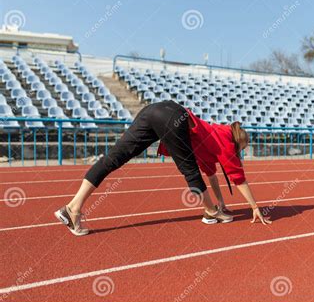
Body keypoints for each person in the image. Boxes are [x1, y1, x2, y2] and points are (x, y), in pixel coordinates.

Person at [54, 100, 272, 236]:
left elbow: (212, 175)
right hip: (174, 117)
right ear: (237, 143)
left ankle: (73, 208)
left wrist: (222, 201)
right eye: (240, 150)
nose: (238, 154)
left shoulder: (214, 136)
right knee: (189, 170)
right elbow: (238, 178)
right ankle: (210, 211)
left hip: (154, 110)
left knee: (113, 159)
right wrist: (254, 207)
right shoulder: (226, 143)